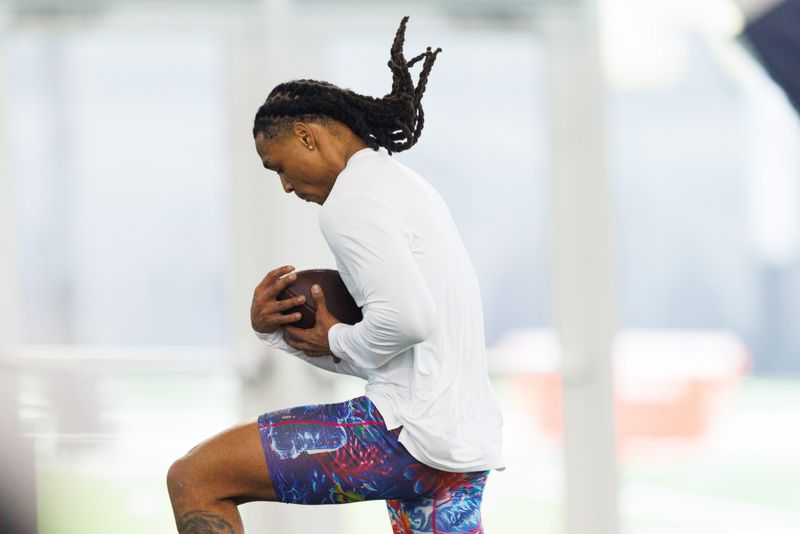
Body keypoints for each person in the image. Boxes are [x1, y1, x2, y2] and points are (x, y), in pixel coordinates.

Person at [166, 16, 503, 534]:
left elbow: (408, 320)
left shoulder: (352, 202)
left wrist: (335, 338)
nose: (284, 185)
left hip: (403, 437)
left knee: (195, 478)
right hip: (459, 447)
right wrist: (277, 332)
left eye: (277, 166)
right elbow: (394, 351)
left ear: (306, 136)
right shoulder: (403, 186)